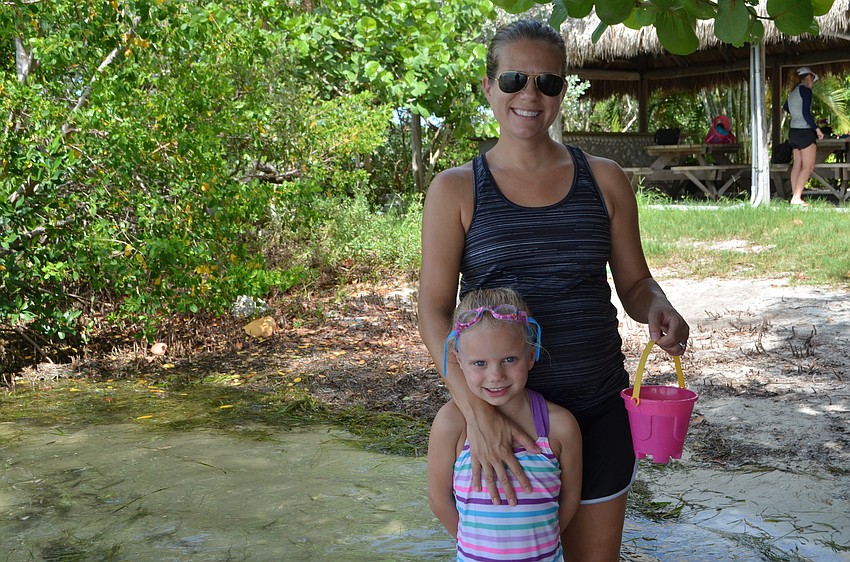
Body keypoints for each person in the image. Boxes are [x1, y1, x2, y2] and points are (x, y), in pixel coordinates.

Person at [417, 19, 690, 562]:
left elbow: (634, 282)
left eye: (548, 82)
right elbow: (433, 311)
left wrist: (658, 306)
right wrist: (476, 414)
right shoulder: (455, 190)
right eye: (515, 79)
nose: (530, 95)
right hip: (499, 417)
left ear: (563, 90)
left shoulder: (606, 179)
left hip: (596, 411)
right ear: (489, 87)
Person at [427, 288, 582, 561]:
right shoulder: (451, 424)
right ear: (458, 360)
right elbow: (439, 500)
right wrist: (472, 547)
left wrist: (543, 542)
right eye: (479, 363)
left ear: (531, 354)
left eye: (509, 359)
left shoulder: (559, 427)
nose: (495, 375)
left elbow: (570, 499)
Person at [783, 67, 825, 206]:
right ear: (808, 78)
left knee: (797, 165)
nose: (813, 82)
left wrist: (796, 115)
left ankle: (795, 197)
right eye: (813, 78)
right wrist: (817, 129)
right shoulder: (806, 91)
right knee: (808, 166)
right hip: (805, 132)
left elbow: (786, 107)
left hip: (794, 132)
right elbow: (806, 114)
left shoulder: (793, 93)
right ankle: (796, 198)